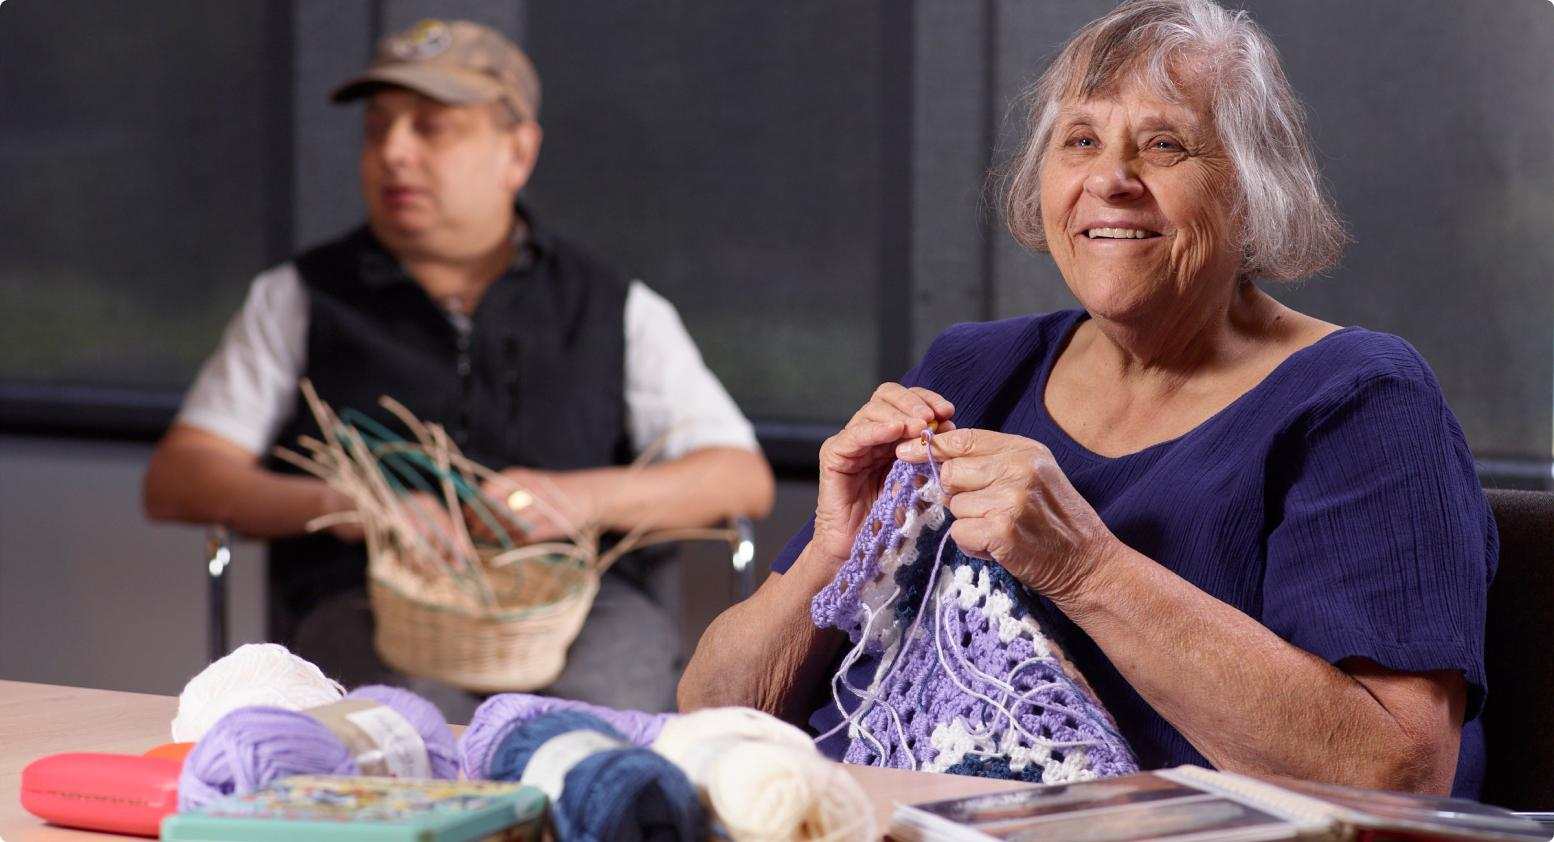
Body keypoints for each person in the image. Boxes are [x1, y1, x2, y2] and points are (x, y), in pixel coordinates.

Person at [680, 0, 1494, 798]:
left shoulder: (1360, 400)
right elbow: (713, 710)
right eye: (1080, 141)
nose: (1110, 179)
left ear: (1253, 188)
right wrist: (835, 548)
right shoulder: (970, 369)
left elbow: (1399, 774)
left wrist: (1086, 566)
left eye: (1165, 145)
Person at [144, 19, 774, 718]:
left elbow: (739, 477)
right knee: (410, 729)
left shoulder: (613, 305)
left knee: (600, 733)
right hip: (369, 604)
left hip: (582, 611)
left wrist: (582, 499)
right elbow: (181, 478)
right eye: (377, 129)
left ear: (518, 152)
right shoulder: (300, 298)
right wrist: (353, 506)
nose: (394, 154)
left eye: (432, 128)